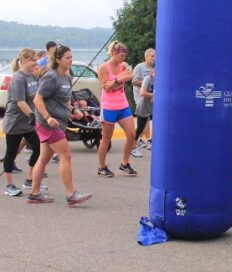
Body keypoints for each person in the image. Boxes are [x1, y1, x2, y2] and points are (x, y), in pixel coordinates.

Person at [29, 45, 92, 205]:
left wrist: (74, 110)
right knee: (66, 154)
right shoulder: (51, 77)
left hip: (60, 121)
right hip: (48, 124)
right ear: (58, 60)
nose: (70, 60)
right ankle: (71, 194)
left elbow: (62, 101)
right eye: (67, 58)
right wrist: (48, 117)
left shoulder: (67, 77)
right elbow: (37, 99)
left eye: (71, 57)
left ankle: (34, 194)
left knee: (43, 158)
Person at [2, 49, 45, 197]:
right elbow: (20, 102)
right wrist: (33, 115)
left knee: (38, 148)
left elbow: (36, 97)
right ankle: (9, 185)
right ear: (25, 60)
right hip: (15, 121)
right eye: (34, 60)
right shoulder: (18, 78)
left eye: (37, 60)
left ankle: (29, 179)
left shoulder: (33, 75)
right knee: (11, 152)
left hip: (28, 121)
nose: (36, 63)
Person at [97, 41, 137, 178]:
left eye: (125, 54)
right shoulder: (103, 67)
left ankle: (125, 163)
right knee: (106, 138)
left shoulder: (124, 66)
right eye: (121, 54)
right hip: (109, 106)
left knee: (131, 134)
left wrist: (115, 81)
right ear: (114, 53)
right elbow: (106, 87)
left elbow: (131, 76)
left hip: (123, 105)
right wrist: (120, 79)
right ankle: (102, 167)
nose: (124, 58)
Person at [132, 48, 155, 149]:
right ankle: (148, 140)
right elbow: (134, 81)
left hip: (150, 97)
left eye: (156, 56)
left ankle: (140, 139)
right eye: (152, 56)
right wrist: (146, 82)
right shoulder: (139, 67)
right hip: (141, 96)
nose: (155, 58)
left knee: (145, 119)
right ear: (146, 57)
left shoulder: (155, 68)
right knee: (145, 118)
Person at [135, 68, 154, 151]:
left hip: (154, 107)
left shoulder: (163, 79)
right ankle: (133, 146)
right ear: (152, 71)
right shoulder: (147, 79)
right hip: (144, 107)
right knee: (140, 128)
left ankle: (150, 141)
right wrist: (153, 95)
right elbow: (142, 92)